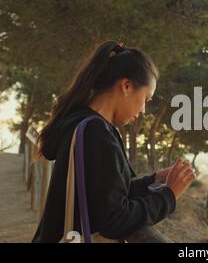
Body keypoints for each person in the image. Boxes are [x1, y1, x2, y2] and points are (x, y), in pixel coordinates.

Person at [32, 41, 195, 242]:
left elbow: (108, 193)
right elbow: (115, 221)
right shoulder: (96, 132)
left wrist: (155, 179)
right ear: (126, 86)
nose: (143, 110)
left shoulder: (83, 123)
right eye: (146, 99)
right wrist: (169, 195)